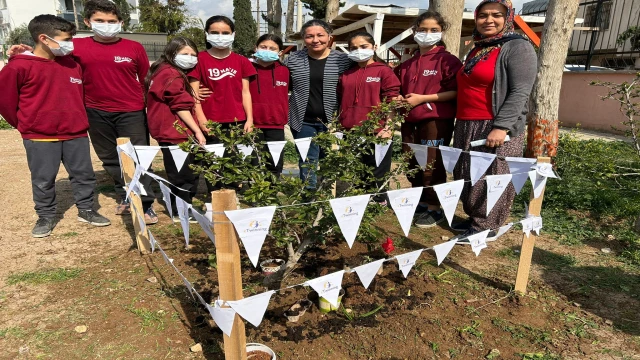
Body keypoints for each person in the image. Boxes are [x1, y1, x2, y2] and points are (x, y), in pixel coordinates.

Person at [7, 0, 158, 224]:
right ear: (88, 22)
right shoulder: (76, 47)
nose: (106, 25)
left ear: (120, 22)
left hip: (131, 110)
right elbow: (48, 54)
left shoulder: (134, 47)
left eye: (111, 21)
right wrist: (26, 51)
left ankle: (145, 204)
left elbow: (147, 79)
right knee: (110, 159)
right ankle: (125, 196)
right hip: (95, 111)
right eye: (100, 20)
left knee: (137, 157)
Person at [0, 15, 111, 238]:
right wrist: (26, 125)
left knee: (84, 175)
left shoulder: (71, 63)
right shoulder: (18, 66)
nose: (70, 43)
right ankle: (46, 215)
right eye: (66, 39)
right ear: (44, 38)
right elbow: (6, 102)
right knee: (43, 178)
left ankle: (87, 210)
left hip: (76, 133)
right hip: (39, 136)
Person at [452, 0, 536, 239]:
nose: (489, 20)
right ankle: (474, 219)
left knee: (493, 175)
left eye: (496, 15)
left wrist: (501, 127)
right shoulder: (479, 48)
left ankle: (486, 228)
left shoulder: (518, 47)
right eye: (483, 15)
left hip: (495, 123)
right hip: (467, 122)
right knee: (468, 173)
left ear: (508, 17)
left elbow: (520, 91)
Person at [395, 11, 463, 228]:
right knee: (411, 162)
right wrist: (397, 97)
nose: (427, 34)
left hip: (435, 120)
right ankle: (421, 201)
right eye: (423, 30)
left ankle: (434, 207)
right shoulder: (408, 63)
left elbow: (456, 91)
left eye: (434, 30)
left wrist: (423, 98)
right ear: (415, 31)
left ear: (441, 32)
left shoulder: (447, 60)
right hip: (410, 120)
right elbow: (395, 88)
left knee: (432, 163)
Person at [188, 15, 257, 190]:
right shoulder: (199, 60)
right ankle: (215, 200)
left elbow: (246, 92)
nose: (220, 36)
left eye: (225, 33)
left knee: (234, 163)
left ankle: (232, 199)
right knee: (213, 165)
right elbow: (194, 95)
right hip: (211, 122)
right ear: (207, 34)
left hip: (237, 122)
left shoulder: (241, 61)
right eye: (215, 32)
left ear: (233, 34)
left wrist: (249, 119)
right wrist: (203, 120)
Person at [285, 19, 353, 189]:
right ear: (303, 39)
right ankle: (309, 199)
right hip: (302, 120)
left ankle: (326, 195)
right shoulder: (293, 60)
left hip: (332, 121)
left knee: (329, 159)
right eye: (309, 36)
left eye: (320, 35)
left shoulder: (343, 60)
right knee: (308, 160)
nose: (315, 40)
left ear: (329, 37)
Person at [145, 37, 206, 222]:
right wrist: (197, 130)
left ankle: (181, 206)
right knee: (183, 174)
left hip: (170, 131)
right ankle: (180, 211)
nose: (190, 58)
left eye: (193, 55)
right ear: (172, 53)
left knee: (182, 172)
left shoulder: (162, 71)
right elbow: (180, 106)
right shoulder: (171, 74)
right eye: (184, 54)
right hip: (176, 133)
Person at [337, 31, 400, 203]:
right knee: (358, 170)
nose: (359, 50)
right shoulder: (346, 74)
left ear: (374, 47)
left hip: (377, 130)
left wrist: (388, 127)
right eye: (354, 48)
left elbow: (392, 99)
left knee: (377, 169)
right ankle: (361, 202)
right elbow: (340, 100)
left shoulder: (384, 71)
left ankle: (378, 201)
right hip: (350, 130)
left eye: (363, 47)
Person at [249, 34, 290, 177]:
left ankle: (271, 195)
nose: (267, 50)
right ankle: (253, 195)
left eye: (272, 48)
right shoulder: (247, 68)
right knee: (252, 163)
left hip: (276, 124)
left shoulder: (285, 71)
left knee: (274, 163)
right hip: (251, 124)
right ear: (256, 48)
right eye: (263, 47)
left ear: (280, 52)